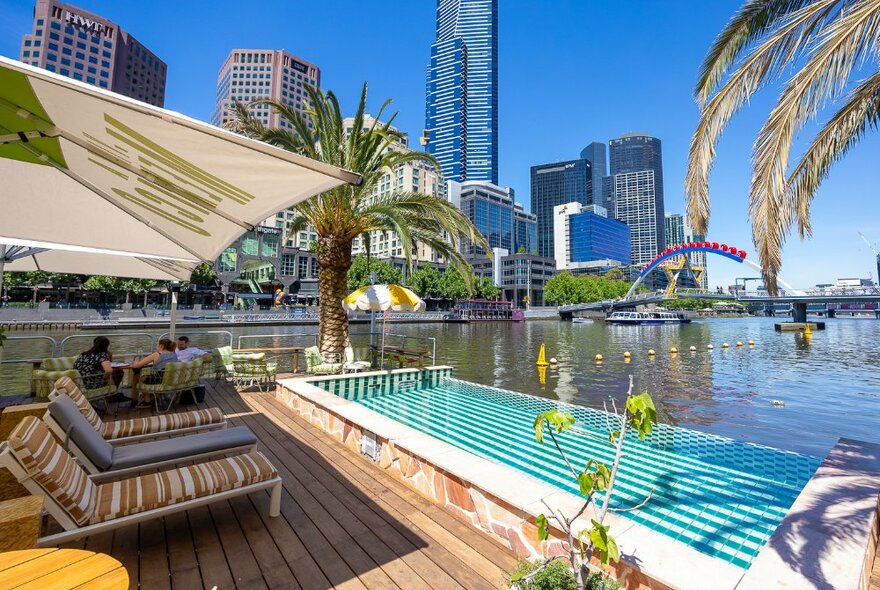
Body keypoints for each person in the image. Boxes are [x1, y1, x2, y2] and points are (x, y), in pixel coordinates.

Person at [129, 338, 178, 408]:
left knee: (140, 377)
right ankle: (153, 397)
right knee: (148, 376)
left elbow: (136, 366)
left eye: (156, 345)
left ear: (161, 346)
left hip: (159, 380)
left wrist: (136, 360)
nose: (156, 346)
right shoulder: (174, 354)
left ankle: (145, 400)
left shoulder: (157, 354)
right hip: (170, 379)